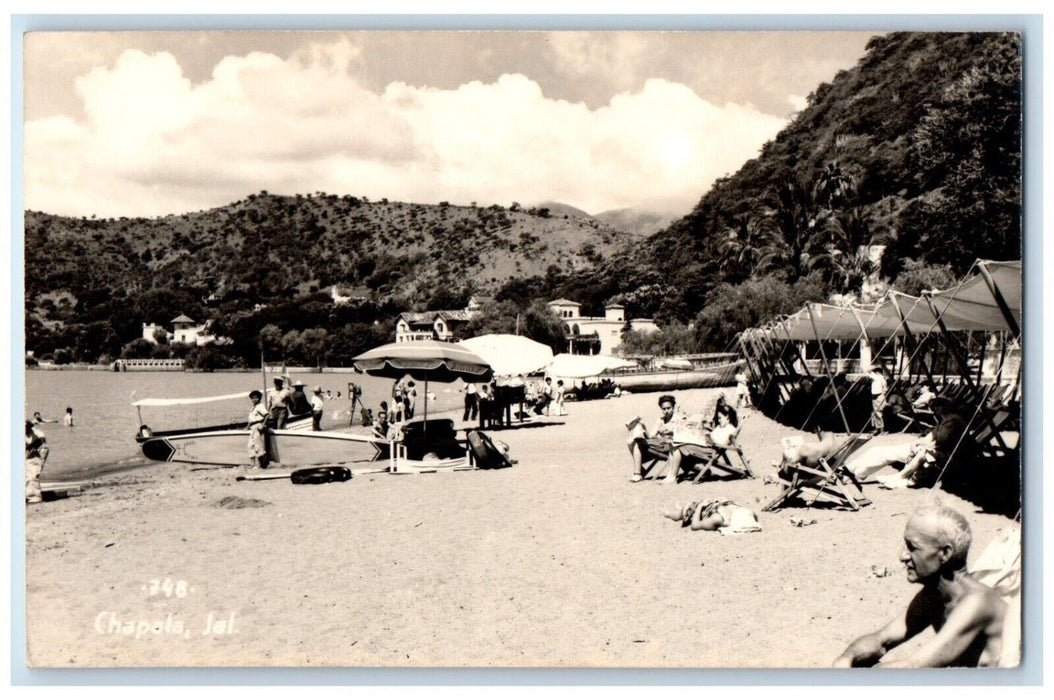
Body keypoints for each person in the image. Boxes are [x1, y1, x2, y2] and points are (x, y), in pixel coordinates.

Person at [833, 504, 1006, 667]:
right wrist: (846, 658)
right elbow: (881, 640)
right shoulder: (933, 595)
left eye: (912, 547)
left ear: (945, 553)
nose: (902, 556)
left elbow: (916, 666)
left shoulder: (976, 602)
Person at [847, 398, 968, 487]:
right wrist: (917, 443)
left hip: (947, 456)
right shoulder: (944, 420)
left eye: (937, 406)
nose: (934, 409)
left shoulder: (953, 421)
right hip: (933, 449)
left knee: (893, 453)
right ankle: (849, 469)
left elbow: (942, 442)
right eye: (933, 407)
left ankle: (855, 473)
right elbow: (932, 436)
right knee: (878, 450)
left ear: (946, 406)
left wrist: (923, 446)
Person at [662, 410, 741, 484]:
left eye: (720, 418)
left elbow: (722, 444)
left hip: (710, 450)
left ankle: (672, 477)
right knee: (673, 444)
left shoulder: (730, 429)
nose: (719, 420)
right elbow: (711, 435)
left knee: (677, 446)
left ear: (727, 416)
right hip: (705, 446)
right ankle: (669, 475)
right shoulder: (720, 427)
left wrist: (709, 439)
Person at [626, 394, 681, 483]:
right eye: (664, 409)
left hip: (672, 446)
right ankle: (638, 472)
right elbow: (650, 437)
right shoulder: (660, 420)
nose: (666, 411)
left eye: (669, 408)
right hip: (660, 445)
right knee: (633, 441)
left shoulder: (678, 419)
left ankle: (638, 472)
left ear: (673, 407)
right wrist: (643, 427)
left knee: (637, 444)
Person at [661, 498, 761, 533]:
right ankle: (678, 509)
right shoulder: (745, 511)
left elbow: (695, 526)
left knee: (681, 512)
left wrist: (700, 506)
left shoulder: (717, 518)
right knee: (685, 507)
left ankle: (668, 514)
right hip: (711, 504)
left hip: (698, 510)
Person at [25, 421, 49, 504]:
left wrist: (41, 462)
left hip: (36, 453)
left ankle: (34, 498)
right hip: (29, 452)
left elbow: (43, 447)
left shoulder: (37, 434)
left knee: (32, 475)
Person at [246, 391, 270, 469]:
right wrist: (247, 427)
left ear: (259, 398)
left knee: (258, 446)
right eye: (252, 398)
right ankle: (252, 464)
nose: (254, 399)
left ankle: (260, 465)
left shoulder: (260, 406)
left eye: (256, 397)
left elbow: (266, 415)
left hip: (258, 425)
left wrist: (263, 425)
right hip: (252, 427)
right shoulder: (253, 408)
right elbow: (251, 420)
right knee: (250, 445)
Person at [870, 366, 889, 434]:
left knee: (878, 413)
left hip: (878, 396)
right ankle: (878, 429)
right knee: (877, 413)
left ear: (877, 372)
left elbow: (867, 370)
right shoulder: (882, 379)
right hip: (880, 396)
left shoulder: (877, 377)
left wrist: (873, 367)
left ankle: (881, 430)